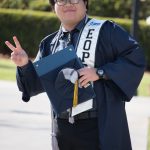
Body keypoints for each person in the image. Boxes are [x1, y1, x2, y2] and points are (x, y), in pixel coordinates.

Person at [5, 0, 145, 149]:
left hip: (99, 128)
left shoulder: (106, 31)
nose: (68, 4)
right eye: (61, 0)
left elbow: (135, 57)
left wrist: (100, 72)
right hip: (63, 131)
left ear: (86, 3)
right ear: (54, 7)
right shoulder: (50, 43)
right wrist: (24, 65)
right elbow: (34, 84)